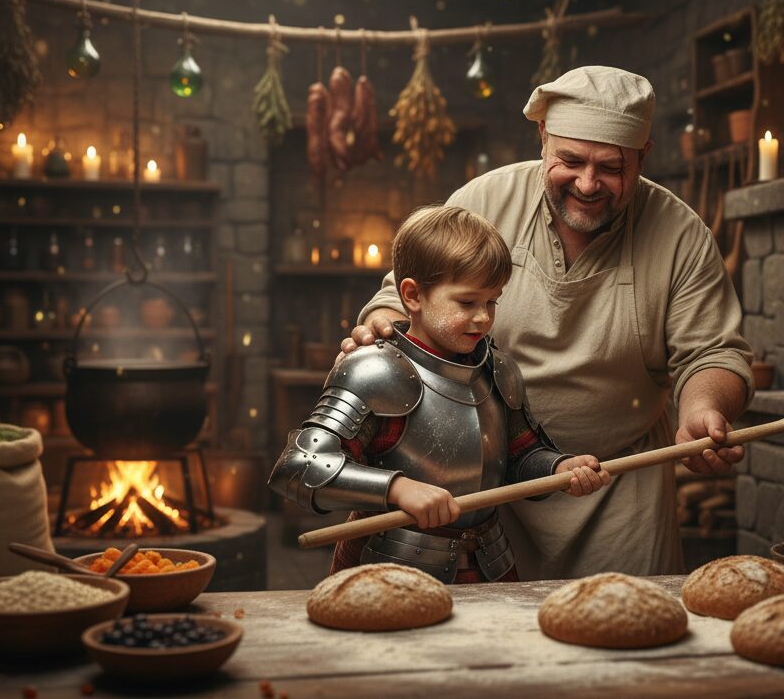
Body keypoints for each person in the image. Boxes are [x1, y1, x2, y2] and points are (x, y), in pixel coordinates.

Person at [344, 66, 754, 579]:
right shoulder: (483, 202)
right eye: (571, 160)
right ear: (543, 139)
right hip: (484, 486)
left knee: (620, 640)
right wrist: (378, 335)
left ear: (644, 156)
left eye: (611, 167)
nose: (587, 183)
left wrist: (703, 408)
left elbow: (713, 352)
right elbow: (401, 298)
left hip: (616, 486)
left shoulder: (679, 234)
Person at [269, 205, 611, 584]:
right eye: (467, 302)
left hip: (489, 563)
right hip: (387, 567)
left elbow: (519, 455)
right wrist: (396, 489)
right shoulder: (375, 370)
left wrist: (557, 468)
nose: (483, 317)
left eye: (492, 301)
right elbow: (297, 469)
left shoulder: (499, 371)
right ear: (413, 296)